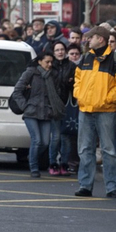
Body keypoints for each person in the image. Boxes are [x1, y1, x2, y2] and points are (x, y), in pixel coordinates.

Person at [73, 26, 116, 198]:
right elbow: (77, 79)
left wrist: (107, 99)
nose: (88, 40)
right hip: (86, 108)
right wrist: (80, 95)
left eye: (91, 37)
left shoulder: (115, 59)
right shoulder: (86, 57)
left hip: (106, 110)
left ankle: (112, 186)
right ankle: (85, 185)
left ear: (100, 39)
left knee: (109, 150)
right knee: (85, 149)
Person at [12, 51, 65, 178]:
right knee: (37, 140)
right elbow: (17, 91)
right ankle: (34, 168)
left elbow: (57, 93)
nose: (50, 64)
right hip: (31, 112)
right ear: (40, 61)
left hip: (46, 112)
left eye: (51, 62)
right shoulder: (30, 72)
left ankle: (32, 155)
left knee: (45, 142)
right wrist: (25, 106)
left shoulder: (53, 75)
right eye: (47, 62)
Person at [47, 41, 75, 176]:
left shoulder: (71, 66)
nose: (60, 52)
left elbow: (74, 84)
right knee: (56, 137)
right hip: (53, 106)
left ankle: (64, 164)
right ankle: (53, 163)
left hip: (67, 105)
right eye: (57, 50)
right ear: (53, 52)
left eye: (62, 49)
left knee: (66, 138)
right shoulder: (50, 66)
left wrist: (70, 83)